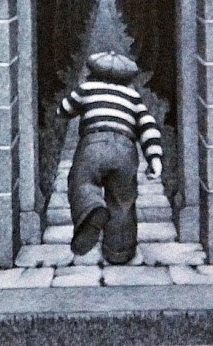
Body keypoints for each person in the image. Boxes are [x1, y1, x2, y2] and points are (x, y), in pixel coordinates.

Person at [57, 51, 163, 264]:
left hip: (93, 145)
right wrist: (154, 158)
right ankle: (119, 252)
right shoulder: (132, 96)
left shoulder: (88, 88)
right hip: (125, 149)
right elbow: (148, 126)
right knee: (123, 201)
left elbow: (64, 110)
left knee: (82, 183)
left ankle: (91, 209)